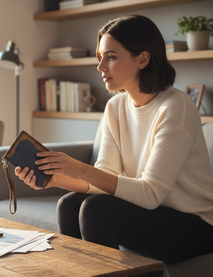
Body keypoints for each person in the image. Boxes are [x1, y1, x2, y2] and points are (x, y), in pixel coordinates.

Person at [15, 14, 213, 263]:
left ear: (142, 59)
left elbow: (150, 194)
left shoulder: (176, 107)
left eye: (110, 57)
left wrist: (80, 169)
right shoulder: (115, 107)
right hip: (153, 214)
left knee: (96, 209)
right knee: (69, 205)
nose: (100, 67)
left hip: (196, 225)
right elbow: (104, 179)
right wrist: (55, 180)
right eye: (100, 57)